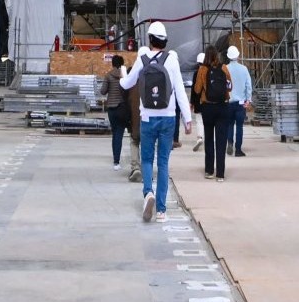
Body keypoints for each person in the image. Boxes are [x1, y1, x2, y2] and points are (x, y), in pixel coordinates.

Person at [118, 21, 193, 222]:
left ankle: (147, 193)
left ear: (150, 39)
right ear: (165, 40)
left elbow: (126, 84)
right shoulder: (171, 61)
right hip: (168, 118)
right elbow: (179, 92)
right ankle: (161, 210)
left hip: (147, 117)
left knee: (147, 159)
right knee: (164, 162)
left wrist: (123, 72)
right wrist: (187, 119)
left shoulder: (142, 60)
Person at [198, 48, 233, 179]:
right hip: (223, 106)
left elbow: (196, 89)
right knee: (221, 140)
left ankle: (209, 170)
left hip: (208, 107)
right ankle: (220, 174)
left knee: (208, 139)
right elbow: (230, 86)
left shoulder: (203, 69)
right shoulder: (223, 68)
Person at [100, 52, 131, 167]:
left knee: (115, 134)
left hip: (111, 109)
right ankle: (117, 161)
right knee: (120, 133)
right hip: (122, 108)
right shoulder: (125, 76)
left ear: (112, 64)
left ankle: (116, 161)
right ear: (122, 64)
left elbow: (103, 91)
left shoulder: (108, 76)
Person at [225, 46, 254, 155]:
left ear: (228, 56)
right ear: (238, 56)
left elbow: (224, 86)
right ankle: (238, 150)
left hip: (229, 102)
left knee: (229, 124)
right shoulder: (244, 69)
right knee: (239, 127)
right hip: (241, 103)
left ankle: (230, 143)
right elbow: (248, 86)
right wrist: (248, 100)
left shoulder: (225, 69)